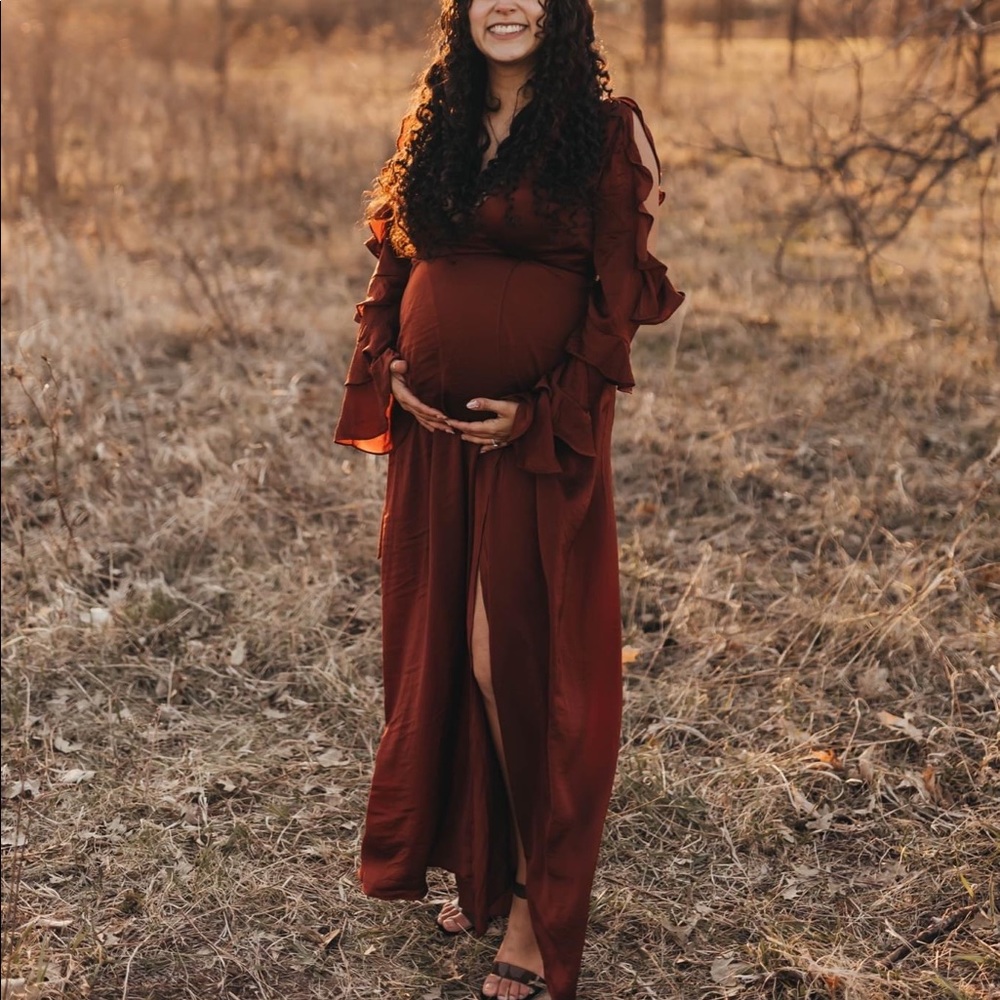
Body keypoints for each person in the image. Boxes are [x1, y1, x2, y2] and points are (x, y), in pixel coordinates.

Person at [334, 1, 684, 997]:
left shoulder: (599, 128)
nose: (508, 3)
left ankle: (538, 901)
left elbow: (613, 299)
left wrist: (541, 416)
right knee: (442, 646)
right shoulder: (437, 117)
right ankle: (485, 867)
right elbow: (396, 258)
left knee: (514, 659)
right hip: (437, 446)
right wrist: (389, 362)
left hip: (537, 443)